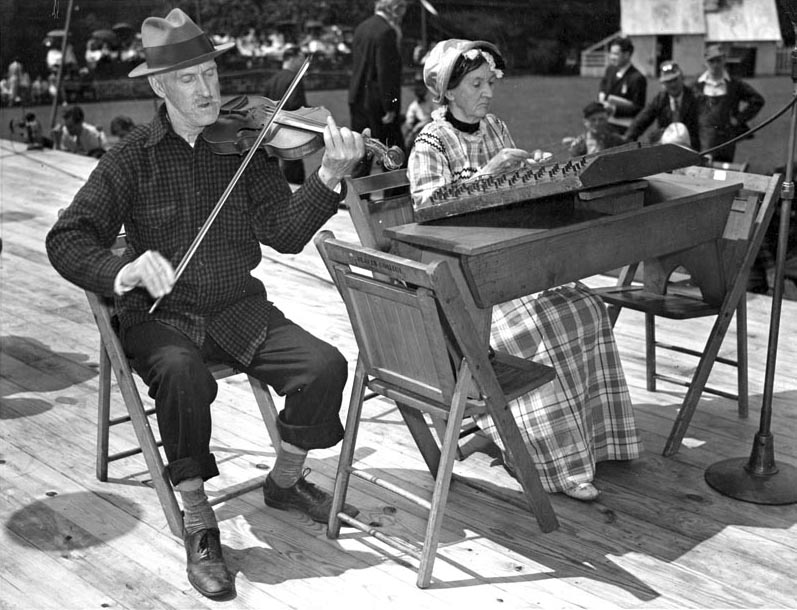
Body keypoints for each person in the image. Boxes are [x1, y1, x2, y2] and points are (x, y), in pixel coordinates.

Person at [45, 9, 365, 600]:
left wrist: (328, 177)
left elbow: (286, 232)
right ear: (159, 86)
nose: (208, 89)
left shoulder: (241, 147)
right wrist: (122, 269)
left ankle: (285, 479)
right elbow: (66, 239)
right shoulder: (130, 159)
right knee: (184, 375)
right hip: (160, 318)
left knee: (325, 366)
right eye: (189, 78)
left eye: (212, 73)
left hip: (237, 306)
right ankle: (197, 518)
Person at [408, 39, 642, 503]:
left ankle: (598, 441)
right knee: (548, 325)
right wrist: (489, 174)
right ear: (449, 91)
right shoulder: (430, 142)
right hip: (465, 288)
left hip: (508, 267)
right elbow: (426, 208)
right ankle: (552, 462)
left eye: (489, 82)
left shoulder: (496, 126)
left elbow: (510, 195)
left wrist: (532, 176)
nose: (489, 92)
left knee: (586, 307)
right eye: (477, 84)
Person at [348, 0, 407, 179]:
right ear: (394, 9)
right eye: (402, 8)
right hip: (378, 104)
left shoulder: (361, 28)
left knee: (362, 156)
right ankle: (395, 202)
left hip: (357, 98)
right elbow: (385, 73)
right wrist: (390, 107)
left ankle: (359, 202)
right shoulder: (386, 32)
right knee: (394, 156)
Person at [694, 44, 764, 163]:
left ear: (724, 60)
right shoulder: (696, 86)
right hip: (703, 139)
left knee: (723, 174)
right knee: (702, 172)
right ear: (705, 62)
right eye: (711, 61)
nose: (715, 65)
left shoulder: (734, 84)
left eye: (718, 60)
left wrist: (739, 119)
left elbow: (757, 100)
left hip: (726, 140)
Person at [626, 61, 700, 151]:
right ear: (663, 84)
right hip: (667, 148)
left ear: (682, 78)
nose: (673, 85)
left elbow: (705, 126)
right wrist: (628, 139)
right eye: (668, 81)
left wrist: (706, 150)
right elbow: (643, 118)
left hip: (690, 147)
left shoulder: (695, 98)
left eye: (675, 79)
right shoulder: (660, 99)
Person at [262, 43, 308, 184]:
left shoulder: (271, 80)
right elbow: (296, 105)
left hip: (272, 129)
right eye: (301, 58)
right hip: (290, 130)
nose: (302, 62)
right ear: (292, 58)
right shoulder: (294, 78)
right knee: (294, 170)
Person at [598, 36, 647, 134]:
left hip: (623, 129)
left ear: (627, 55)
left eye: (616, 54)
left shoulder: (637, 78)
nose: (612, 57)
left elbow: (638, 108)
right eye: (611, 53)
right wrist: (601, 95)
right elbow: (603, 86)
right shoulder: (610, 70)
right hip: (605, 124)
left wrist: (614, 109)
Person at [562, 101, 627, 157]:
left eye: (601, 119)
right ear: (585, 122)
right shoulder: (579, 145)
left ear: (607, 120)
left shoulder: (617, 141)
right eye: (593, 120)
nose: (597, 123)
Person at [401, 73, 434, 150]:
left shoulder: (433, 101)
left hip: (430, 128)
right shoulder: (414, 105)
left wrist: (419, 126)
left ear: (425, 87)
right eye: (417, 87)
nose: (418, 89)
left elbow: (436, 117)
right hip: (417, 130)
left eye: (420, 86)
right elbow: (409, 121)